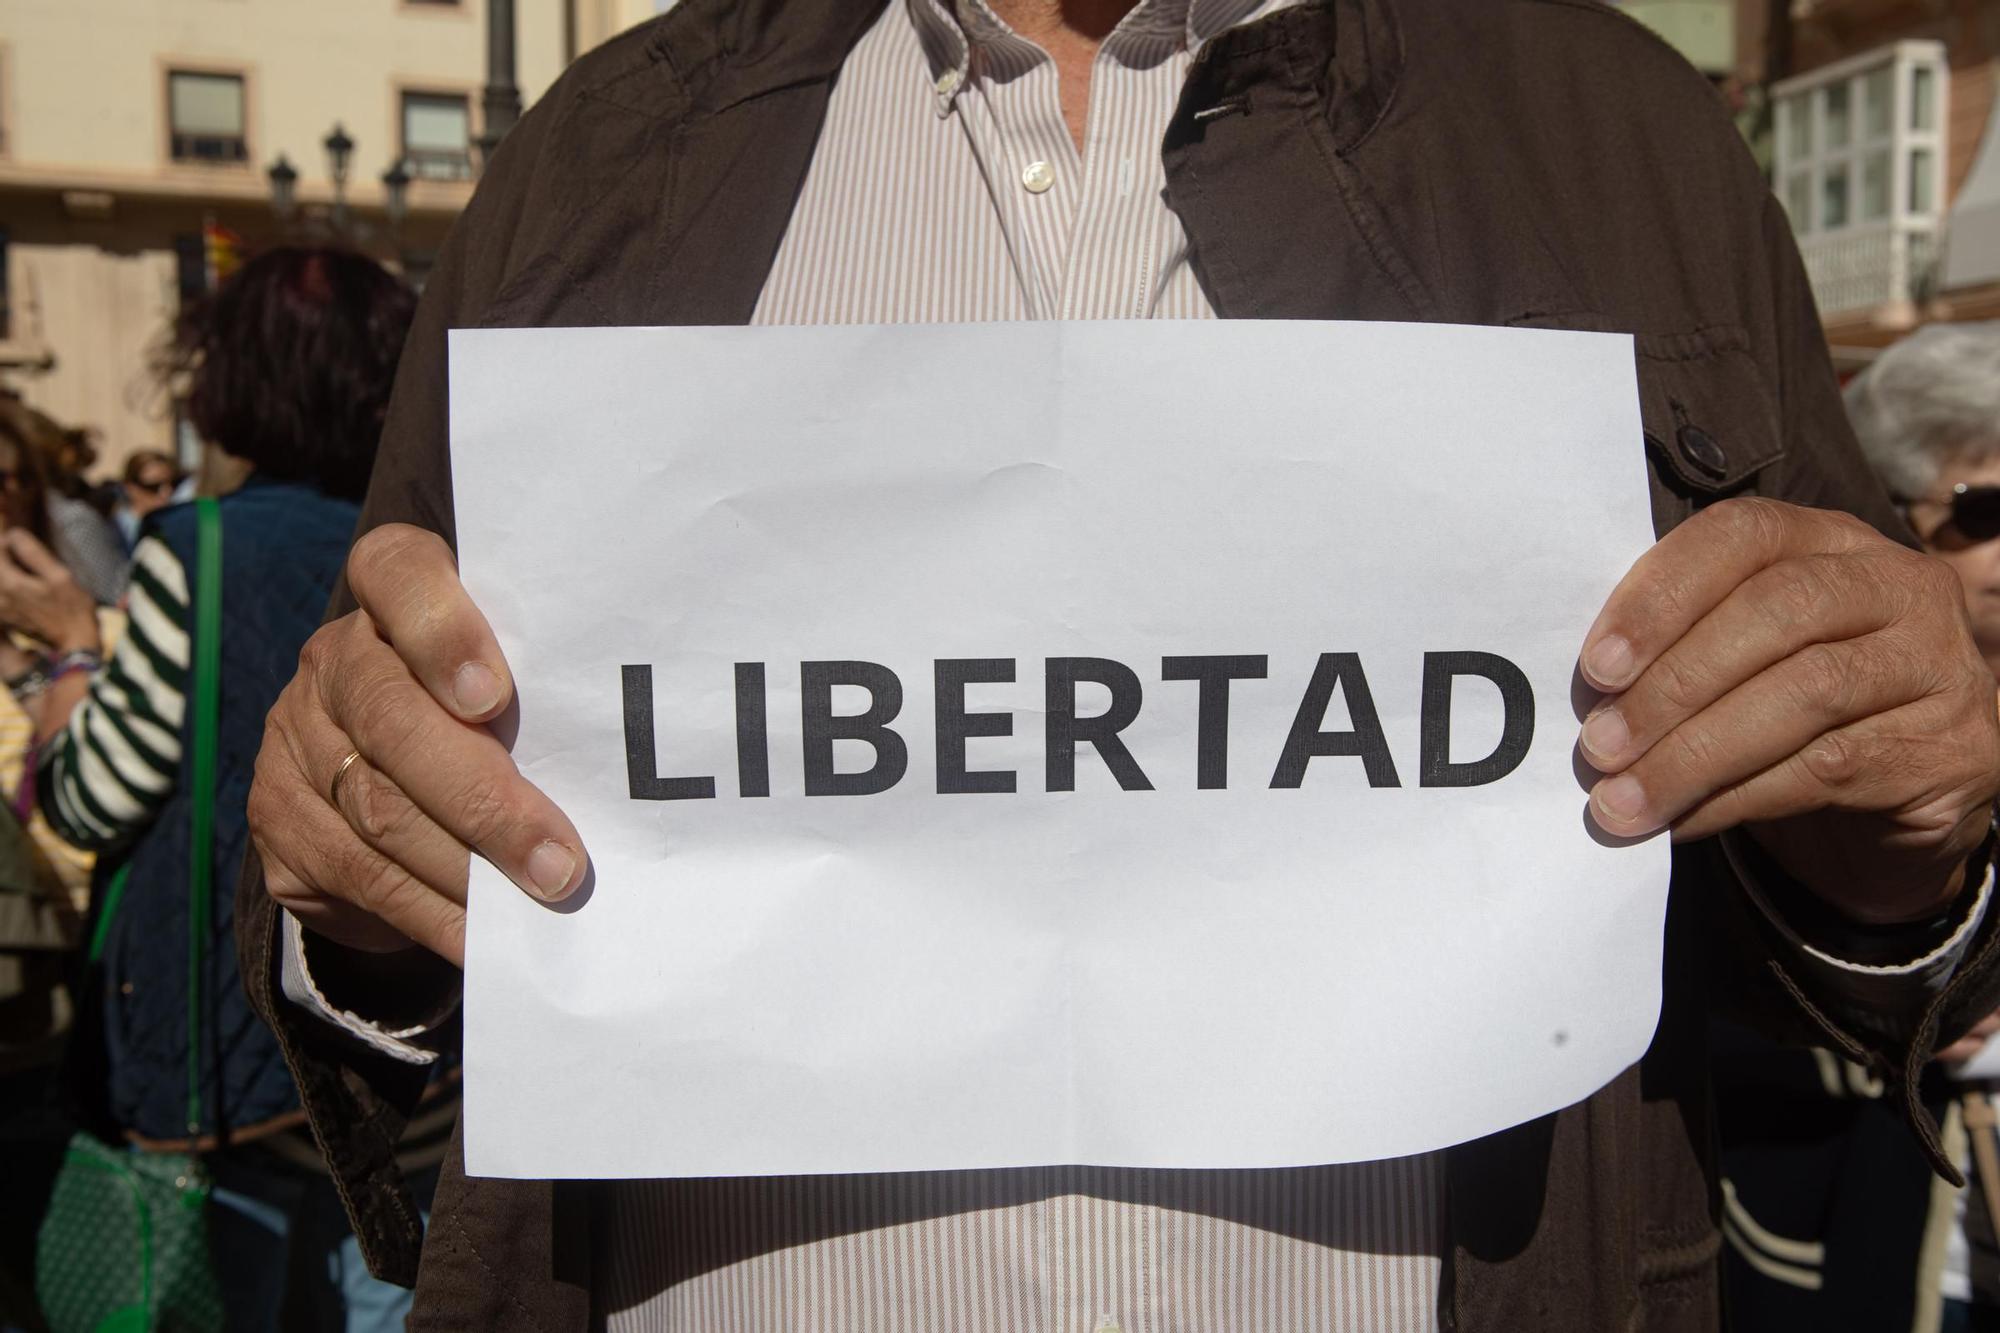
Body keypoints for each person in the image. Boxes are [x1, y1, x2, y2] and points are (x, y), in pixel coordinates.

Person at [237, 1, 2000, 1328]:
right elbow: (405, 845)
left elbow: (1854, 921)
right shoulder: (604, 163)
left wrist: (1912, 818)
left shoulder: (1613, 137)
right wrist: (354, 878)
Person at [0, 246, 434, 1331]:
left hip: (215, 1029)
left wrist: (67, 667)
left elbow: (95, 795)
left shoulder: (193, 546)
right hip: (395, 1031)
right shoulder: (433, 547)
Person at [110, 450, 180, 555]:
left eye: (173, 484)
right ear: (130, 488)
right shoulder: (114, 530)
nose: (166, 493)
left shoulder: (176, 525)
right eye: (154, 486)